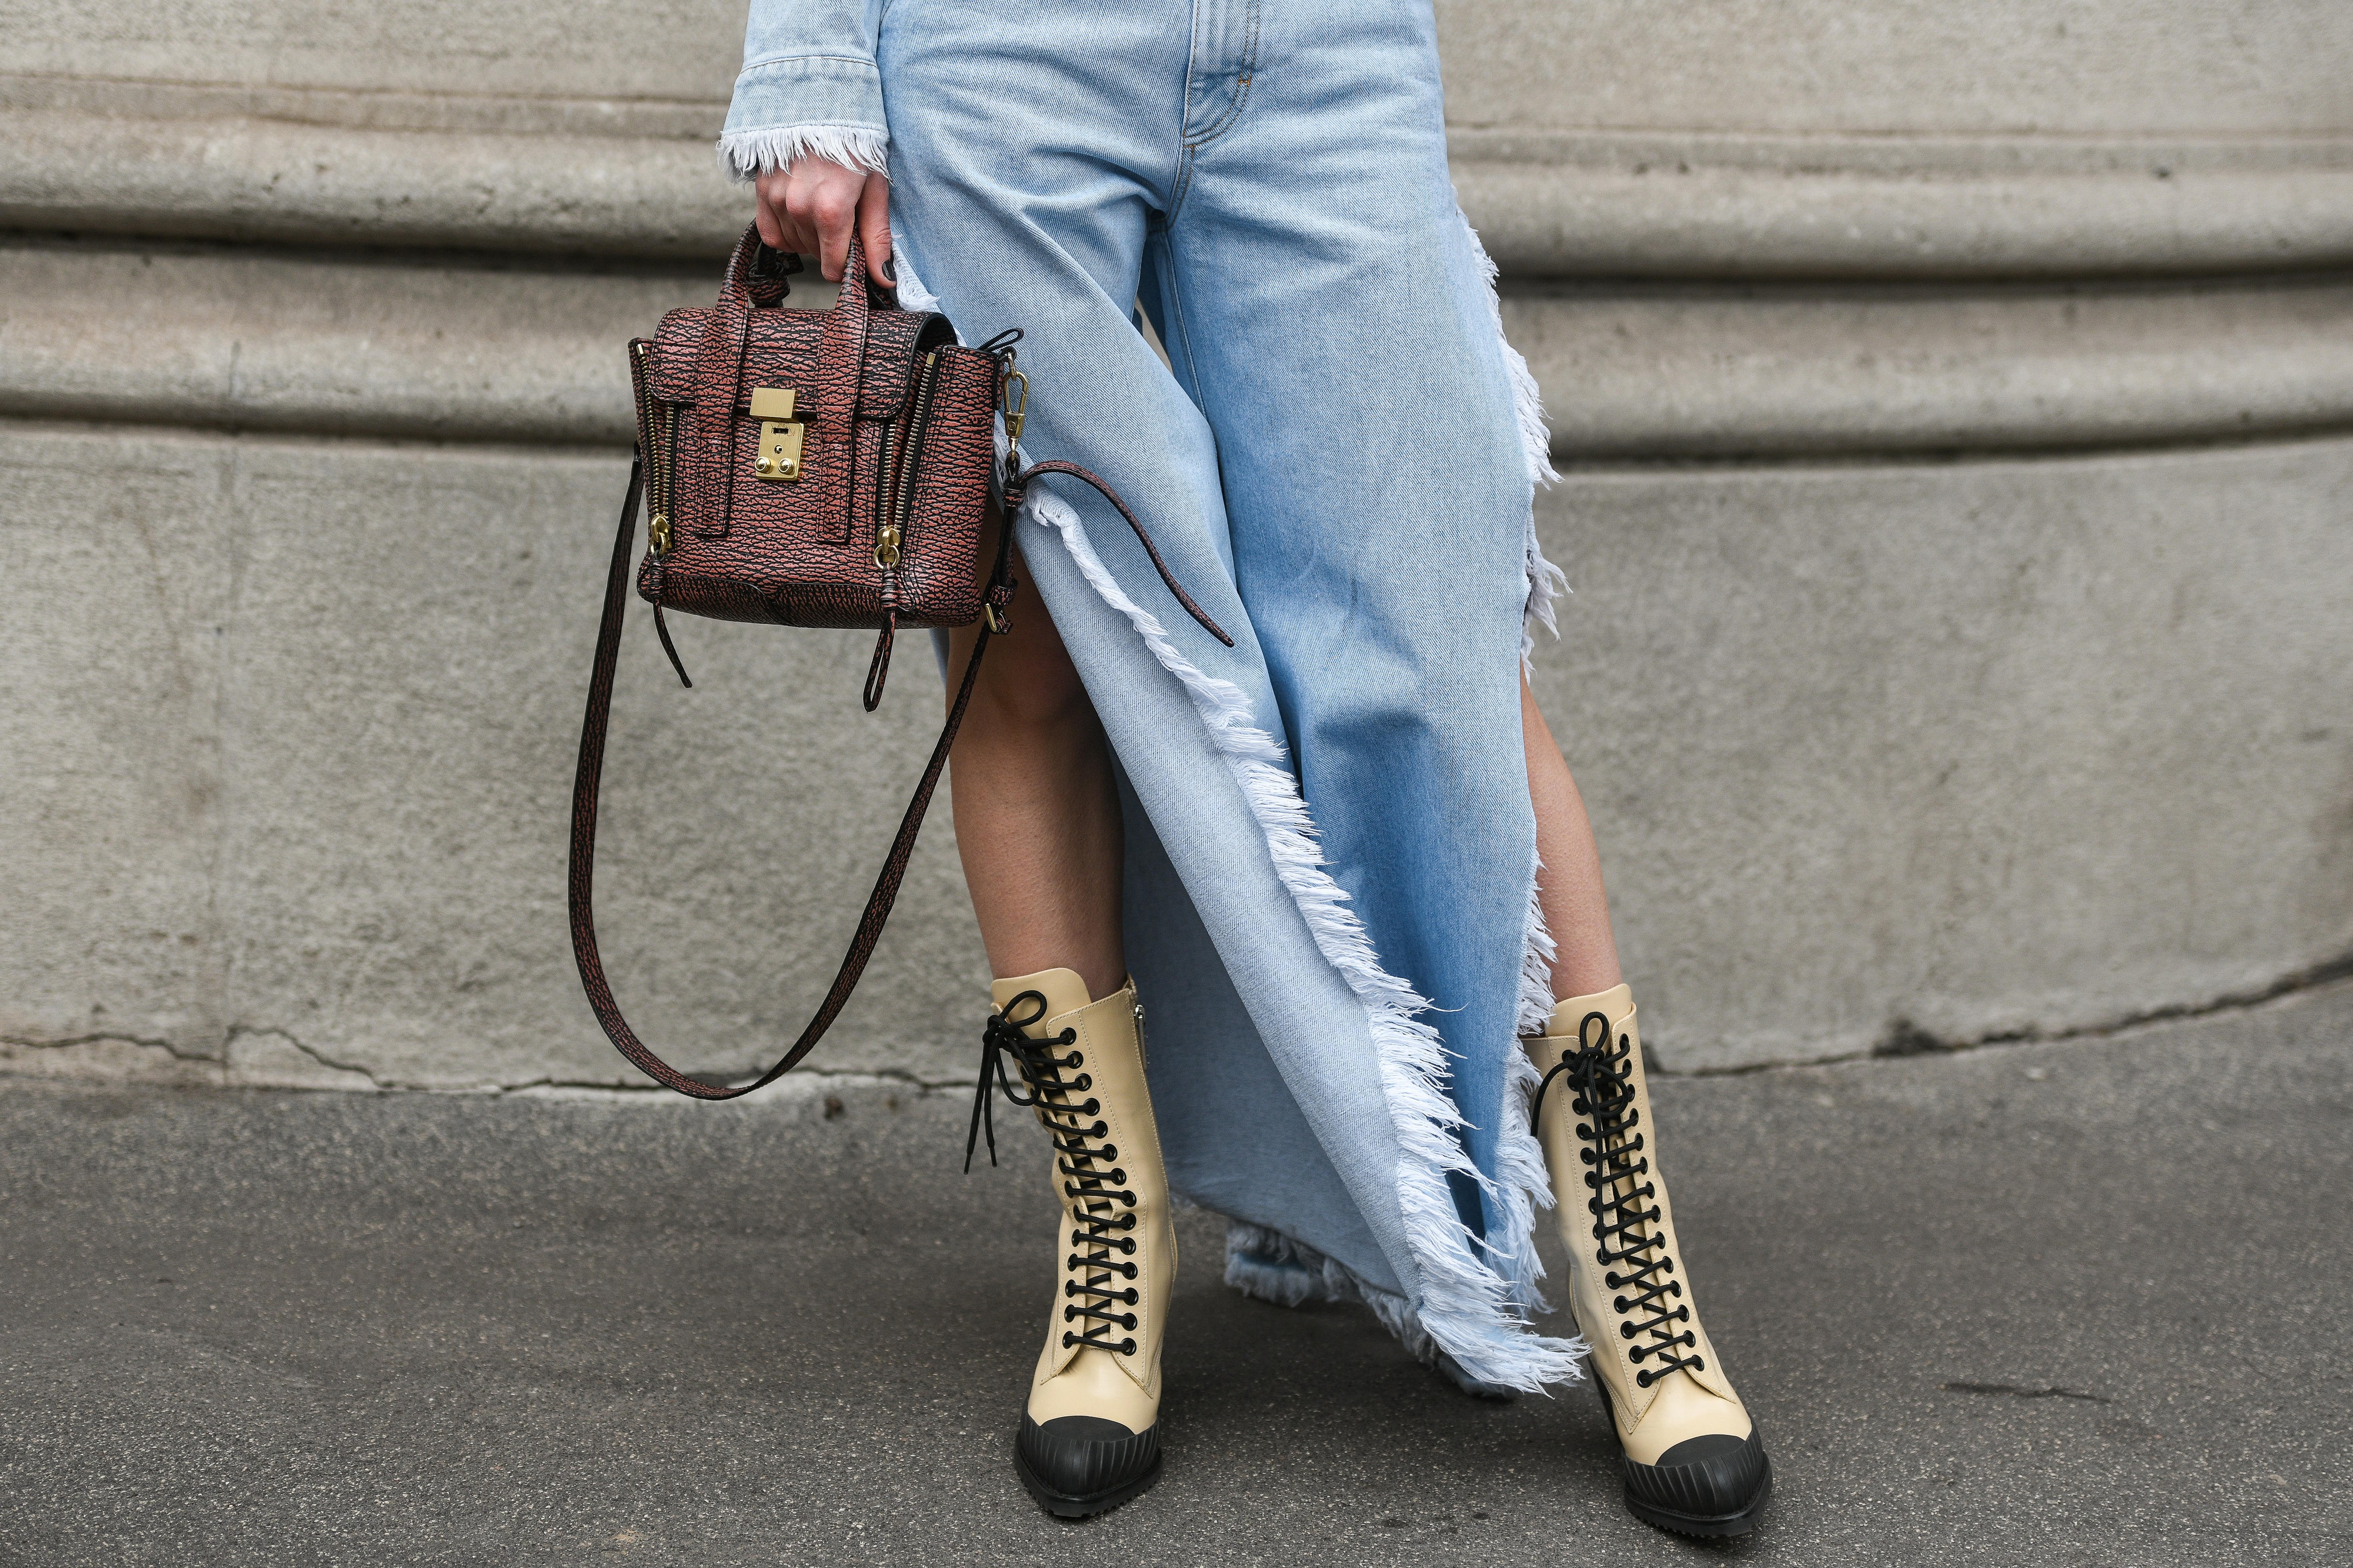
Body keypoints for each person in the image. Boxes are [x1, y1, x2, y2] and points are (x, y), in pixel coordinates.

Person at [718, 0, 1770, 1536]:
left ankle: (1623, 1263)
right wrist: (811, 67)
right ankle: (1110, 1246)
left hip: (1326, 40)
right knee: (1044, 625)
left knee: (1436, 631)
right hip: (996, 53)